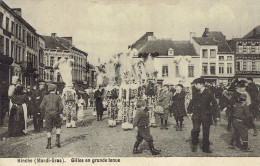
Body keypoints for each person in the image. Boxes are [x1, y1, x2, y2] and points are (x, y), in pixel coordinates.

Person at [187, 78, 220, 153]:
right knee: (196, 129)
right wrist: (189, 110)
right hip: (196, 114)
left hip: (206, 115)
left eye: (196, 84)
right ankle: (194, 141)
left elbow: (215, 105)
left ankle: (206, 148)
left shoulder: (209, 93)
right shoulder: (195, 92)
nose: (195, 85)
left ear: (201, 84)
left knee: (206, 132)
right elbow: (192, 101)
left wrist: (217, 116)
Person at [228, 80, 253, 152]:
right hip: (240, 117)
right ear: (239, 87)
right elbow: (232, 103)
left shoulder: (243, 94)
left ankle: (232, 144)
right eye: (243, 87)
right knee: (244, 132)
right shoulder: (236, 94)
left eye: (245, 87)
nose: (244, 88)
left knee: (236, 131)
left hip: (236, 117)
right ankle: (245, 147)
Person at [40, 84, 63, 149]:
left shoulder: (45, 97)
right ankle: (57, 142)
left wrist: (45, 112)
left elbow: (41, 106)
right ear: (55, 90)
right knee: (58, 127)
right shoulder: (58, 96)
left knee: (48, 129)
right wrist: (60, 112)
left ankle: (49, 144)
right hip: (56, 114)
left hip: (48, 114)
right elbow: (61, 106)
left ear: (48, 90)